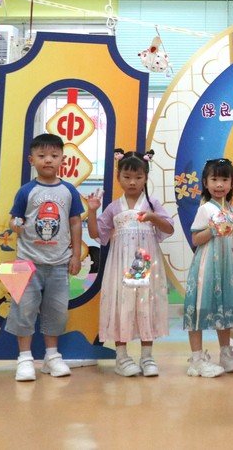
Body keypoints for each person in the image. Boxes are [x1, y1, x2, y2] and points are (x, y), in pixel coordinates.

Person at [85, 149, 173, 377]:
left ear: (145, 177)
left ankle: (147, 356)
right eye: (127, 177)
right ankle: (122, 357)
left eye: (138, 177)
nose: (132, 182)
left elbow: (169, 228)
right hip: (120, 265)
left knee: (146, 304)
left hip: (145, 263)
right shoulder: (114, 207)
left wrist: (153, 218)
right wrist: (92, 211)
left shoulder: (152, 204)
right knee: (121, 304)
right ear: (118, 177)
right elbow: (97, 234)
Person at [5, 133, 84, 382]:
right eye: (41, 156)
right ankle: (24, 359)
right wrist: (15, 224)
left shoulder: (69, 191)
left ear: (62, 159)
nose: (48, 160)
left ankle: (52, 356)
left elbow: (75, 223)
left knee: (57, 311)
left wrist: (76, 255)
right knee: (23, 310)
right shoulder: (26, 191)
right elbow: (14, 220)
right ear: (32, 160)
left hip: (59, 263)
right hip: (26, 262)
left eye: (54, 155)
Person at [183, 158, 233, 378]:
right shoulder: (205, 209)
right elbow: (196, 239)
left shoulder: (232, 209)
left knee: (225, 309)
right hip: (207, 267)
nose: (219, 184)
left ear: (232, 183)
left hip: (229, 268)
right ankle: (197, 360)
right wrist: (213, 230)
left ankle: (226, 353)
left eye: (225, 179)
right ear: (205, 182)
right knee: (200, 307)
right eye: (214, 179)